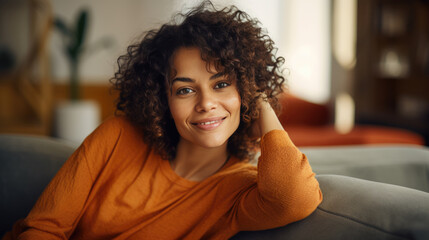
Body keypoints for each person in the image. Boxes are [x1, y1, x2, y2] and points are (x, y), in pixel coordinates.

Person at [3, 1, 322, 239]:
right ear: (163, 98)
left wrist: (262, 106)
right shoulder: (117, 136)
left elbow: (294, 199)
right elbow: (43, 229)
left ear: (246, 91)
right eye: (185, 90)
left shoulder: (238, 187)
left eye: (222, 84)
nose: (206, 103)